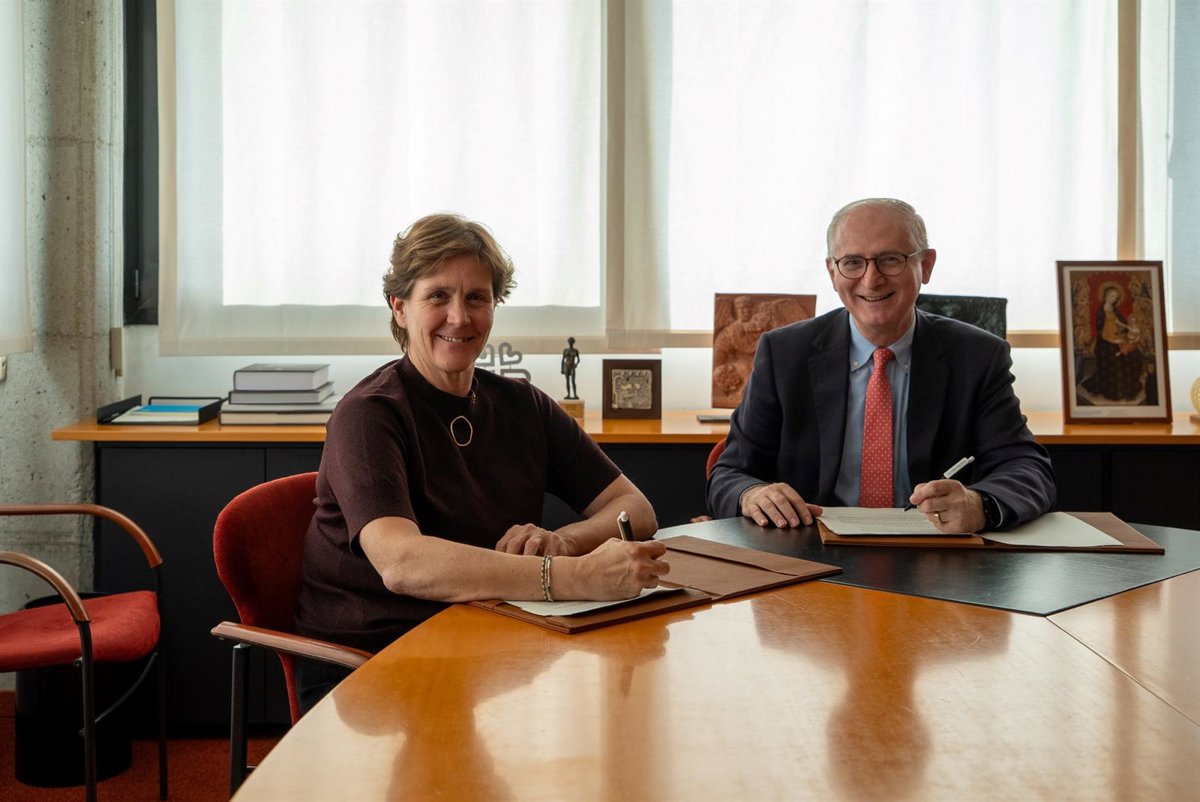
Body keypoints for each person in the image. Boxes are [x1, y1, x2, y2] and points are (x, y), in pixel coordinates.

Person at [295, 213, 666, 709]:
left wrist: (564, 541)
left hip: (492, 639)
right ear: (399, 308)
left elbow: (635, 508)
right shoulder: (368, 415)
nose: (459, 317)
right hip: (373, 665)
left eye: (476, 298)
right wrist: (572, 575)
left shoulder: (523, 405)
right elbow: (402, 563)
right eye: (438, 296)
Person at [706, 198, 1055, 534]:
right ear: (832, 272)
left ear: (926, 265)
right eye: (852, 262)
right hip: (813, 548)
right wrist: (751, 495)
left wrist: (980, 504)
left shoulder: (977, 356)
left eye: (890, 260)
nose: (871, 279)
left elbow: (1027, 469)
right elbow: (730, 472)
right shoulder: (784, 353)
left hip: (935, 551)